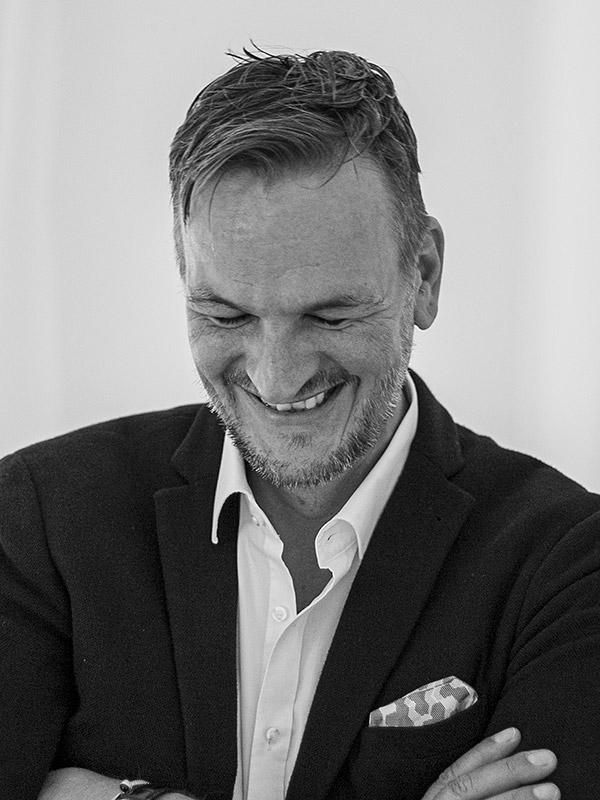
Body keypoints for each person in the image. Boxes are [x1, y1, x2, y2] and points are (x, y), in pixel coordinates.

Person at [1, 46, 598, 800]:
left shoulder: (569, 562)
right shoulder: (37, 519)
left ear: (423, 275)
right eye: (226, 315)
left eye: (330, 315)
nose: (276, 376)